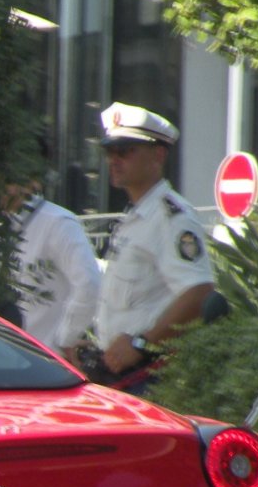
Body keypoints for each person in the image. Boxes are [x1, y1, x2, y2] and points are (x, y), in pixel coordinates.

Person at [91, 102, 215, 383]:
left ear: (158, 154)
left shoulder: (171, 218)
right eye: (109, 151)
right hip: (118, 372)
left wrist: (141, 344)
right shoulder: (137, 217)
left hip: (148, 374)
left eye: (124, 151)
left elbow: (199, 292)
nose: (114, 160)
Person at [1, 179, 101, 360]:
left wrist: (64, 342)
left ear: (33, 183)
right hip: (1, 362)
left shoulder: (58, 222)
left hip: (45, 363)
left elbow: (89, 284)